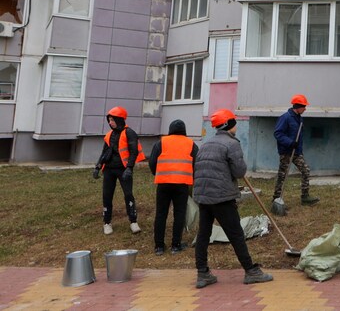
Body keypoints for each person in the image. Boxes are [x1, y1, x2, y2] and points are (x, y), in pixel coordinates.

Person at [193, 109, 273, 288]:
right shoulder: (231, 144)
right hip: (221, 197)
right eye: (234, 122)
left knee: (203, 234)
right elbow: (239, 171)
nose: (236, 124)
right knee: (236, 234)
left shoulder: (206, 144)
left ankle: (202, 273)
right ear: (229, 125)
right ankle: (251, 271)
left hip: (203, 196)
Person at [148, 119, 198, 256]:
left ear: (170, 130)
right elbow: (197, 163)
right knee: (179, 214)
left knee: (161, 214)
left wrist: (157, 173)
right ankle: (176, 245)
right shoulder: (191, 144)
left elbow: (152, 162)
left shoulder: (161, 143)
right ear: (184, 131)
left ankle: (159, 246)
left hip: (163, 183)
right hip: (182, 184)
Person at [92, 106, 145, 235]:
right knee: (107, 196)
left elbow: (134, 152)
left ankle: (133, 222)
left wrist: (129, 168)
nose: (110, 123)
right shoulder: (109, 135)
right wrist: (98, 167)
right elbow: (104, 152)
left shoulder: (129, 133)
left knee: (128, 194)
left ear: (119, 119)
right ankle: (107, 223)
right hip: (109, 170)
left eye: (112, 120)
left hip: (123, 170)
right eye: (109, 120)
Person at [272, 94, 319, 207]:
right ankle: (276, 198)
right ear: (298, 106)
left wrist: (298, 148)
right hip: (286, 152)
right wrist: (290, 142)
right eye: (304, 106)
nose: (305, 109)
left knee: (305, 170)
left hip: (297, 152)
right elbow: (278, 133)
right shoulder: (285, 117)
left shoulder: (299, 118)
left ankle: (305, 197)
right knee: (282, 175)